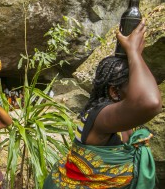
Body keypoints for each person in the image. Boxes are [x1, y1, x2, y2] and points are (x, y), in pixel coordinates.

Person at [43, 19, 162, 188]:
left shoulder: (123, 117)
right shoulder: (99, 116)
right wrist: (133, 52)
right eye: (134, 84)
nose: (140, 87)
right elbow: (151, 102)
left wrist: (135, 56)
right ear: (114, 92)